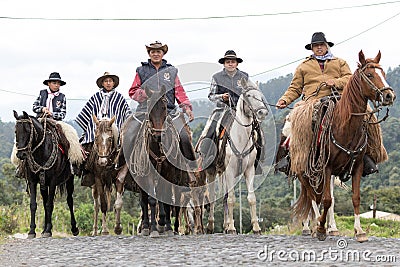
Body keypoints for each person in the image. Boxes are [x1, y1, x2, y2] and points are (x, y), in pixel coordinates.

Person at [275, 31, 382, 177]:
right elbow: (295, 88)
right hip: (312, 102)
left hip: (339, 99)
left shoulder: (339, 62)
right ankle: (291, 158)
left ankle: (369, 156)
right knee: (293, 124)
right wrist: (284, 100)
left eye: (322, 45)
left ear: (327, 46)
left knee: (368, 118)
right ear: (312, 48)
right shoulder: (303, 67)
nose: (319, 48)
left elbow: (351, 79)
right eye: (316, 46)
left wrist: (336, 82)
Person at [119, 40, 197, 187]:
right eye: (153, 51)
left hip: (168, 111)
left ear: (163, 53)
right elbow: (133, 91)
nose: (156, 54)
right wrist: (146, 95)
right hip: (145, 111)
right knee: (129, 134)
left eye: (158, 51)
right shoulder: (141, 70)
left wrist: (186, 107)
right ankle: (124, 167)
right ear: (149, 54)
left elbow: (179, 91)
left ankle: (189, 169)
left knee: (184, 137)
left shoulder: (171, 71)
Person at [196, 50, 264, 173]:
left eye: (233, 62)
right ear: (224, 64)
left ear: (237, 64)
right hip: (222, 110)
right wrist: (221, 97)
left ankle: (257, 161)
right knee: (210, 130)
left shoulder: (244, 76)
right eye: (228, 62)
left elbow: (250, 92)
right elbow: (211, 95)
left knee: (258, 131)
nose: (230, 64)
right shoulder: (216, 77)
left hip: (242, 111)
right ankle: (206, 158)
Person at [76, 72, 131, 186]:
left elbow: (126, 113)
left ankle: (126, 172)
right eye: (106, 81)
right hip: (97, 127)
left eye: (110, 81)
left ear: (114, 83)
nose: (108, 83)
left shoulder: (119, 98)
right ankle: (86, 171)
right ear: (102, 83)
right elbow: (86, 113)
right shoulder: (95, 97)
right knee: (85, 148)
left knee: (125, 148)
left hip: (112, 128)